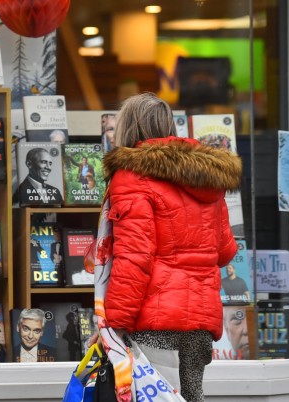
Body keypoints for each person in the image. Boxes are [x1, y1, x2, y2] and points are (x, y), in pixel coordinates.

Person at [101, 93, 241, 402]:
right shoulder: (208, 176)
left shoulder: (132, 176)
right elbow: (225, 252)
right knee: (191, 397)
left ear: (129, 127)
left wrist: (114, 323)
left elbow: (133, 258)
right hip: (201, 323)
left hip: (156, 320)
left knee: (154, 397)